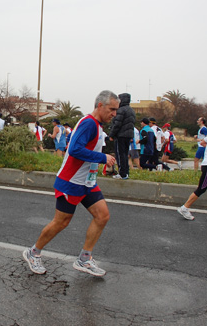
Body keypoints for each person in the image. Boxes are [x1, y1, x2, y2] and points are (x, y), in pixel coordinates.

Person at [23, 90, 119, 277]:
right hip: (71, 182)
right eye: (112, 109)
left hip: (87, 183)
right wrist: (102, 157)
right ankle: (33, 253)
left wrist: (100, 163)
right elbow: (74, 149)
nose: (114, 114)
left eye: (116, 110)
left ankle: (84, 259)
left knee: (102, 216)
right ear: (100, 105)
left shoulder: (98, 125)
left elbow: (87, 151)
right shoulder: (89, 123)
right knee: (61, 222)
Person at [108, 93, 136, 179]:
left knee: (120, 154)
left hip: (120, 135)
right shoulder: (131, 110)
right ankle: (126, 172)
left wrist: (111, 134)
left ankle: (122, 173)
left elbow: (117, 124)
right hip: (128, 135)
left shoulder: (121, 110)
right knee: (125, 154)